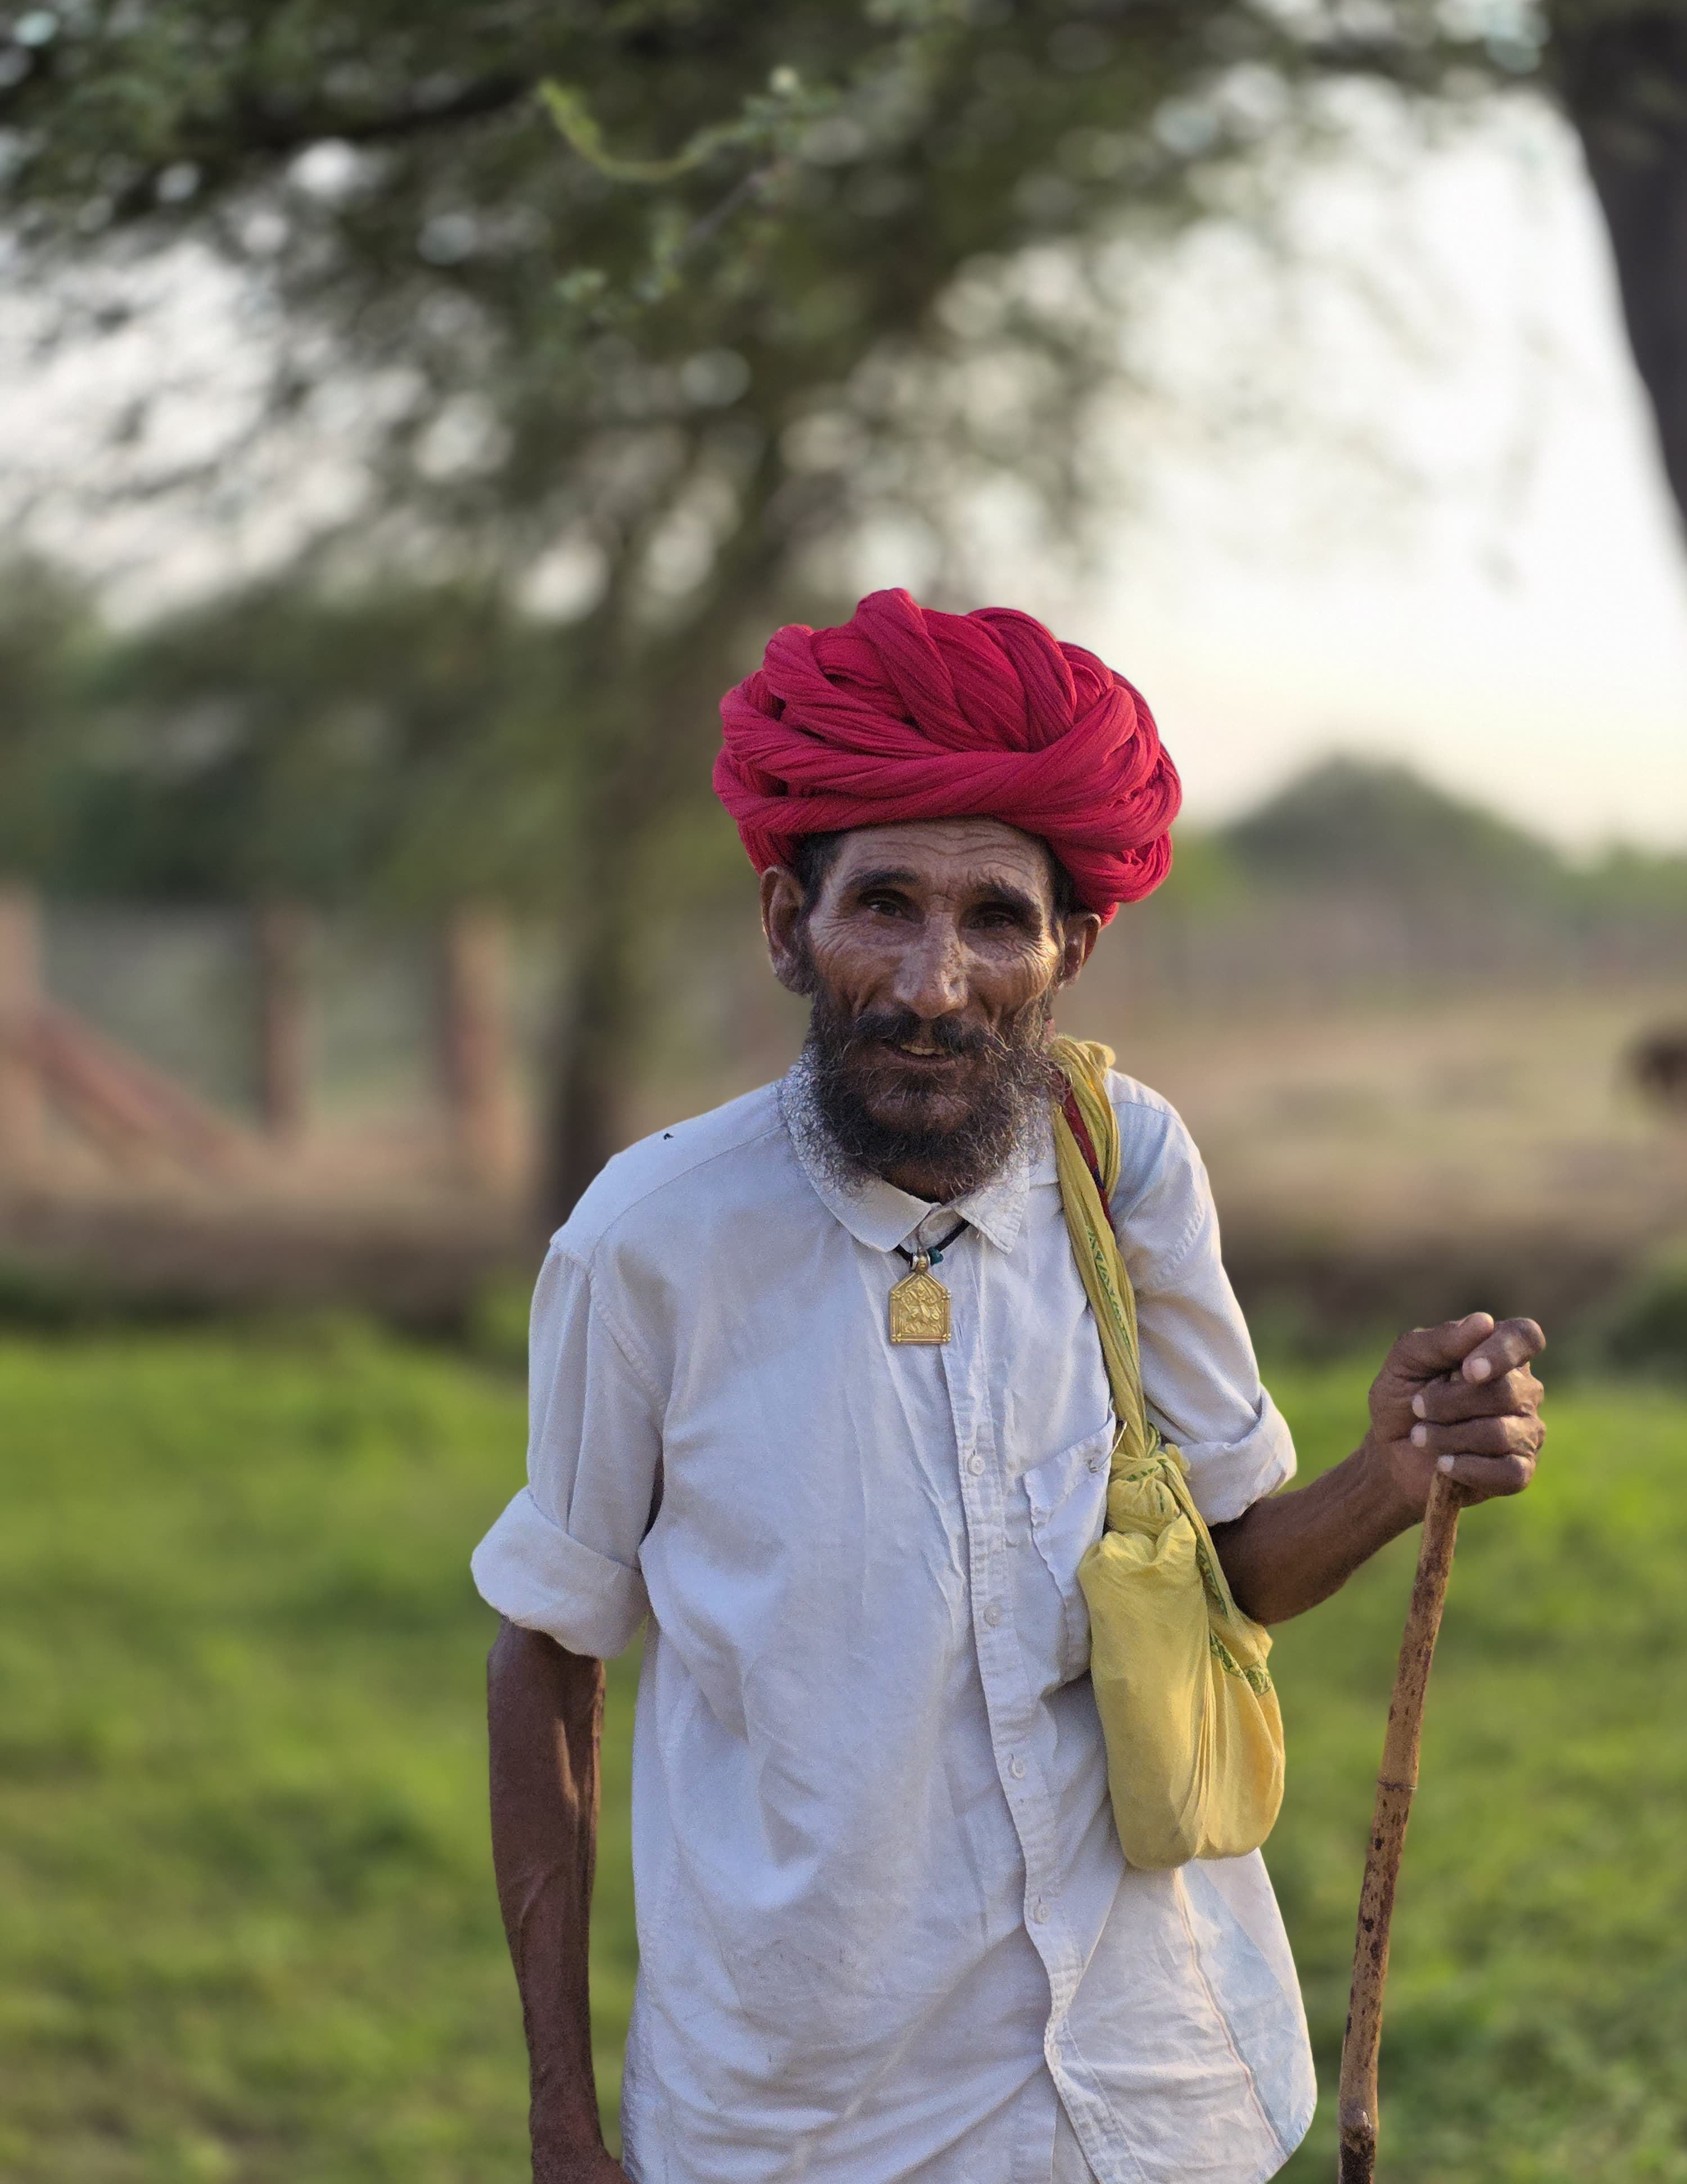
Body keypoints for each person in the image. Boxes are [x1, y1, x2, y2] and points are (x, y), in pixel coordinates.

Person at [472, 588, 1546, 2184]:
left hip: (1152, 2079)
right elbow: (550, 1659)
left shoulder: (1129, 1164)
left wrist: (1395, 1476)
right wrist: (562, 2115)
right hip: (803, 2114)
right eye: (882, 907)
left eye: (994, 922)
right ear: (787, 926)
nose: (932, 983)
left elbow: (1232, 1569)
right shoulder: (650, 1243)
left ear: (1070, 950)